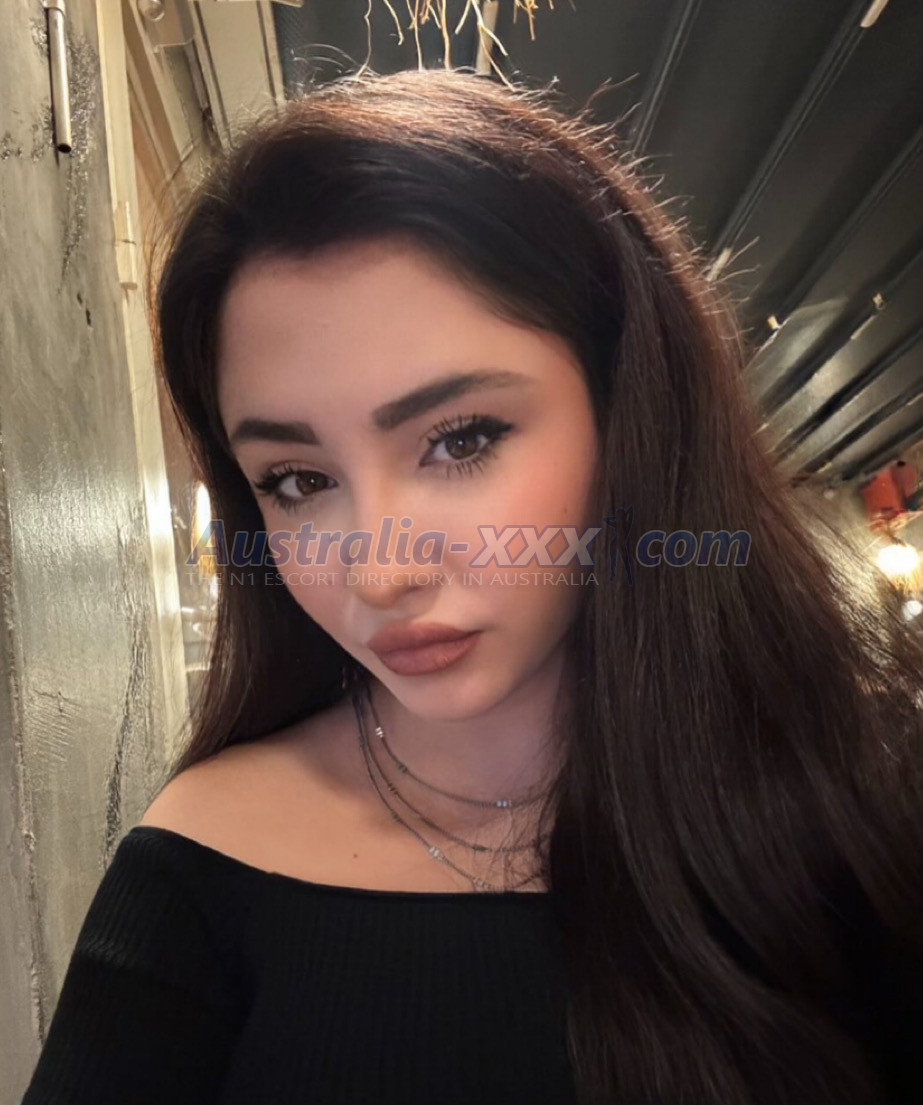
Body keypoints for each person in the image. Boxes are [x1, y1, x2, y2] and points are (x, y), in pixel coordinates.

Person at [19, 67, 923, 1105]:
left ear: (627, 411)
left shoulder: (862, 805)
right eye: (298, 480)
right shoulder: (203, 866)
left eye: (459, 439)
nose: (381, 570)